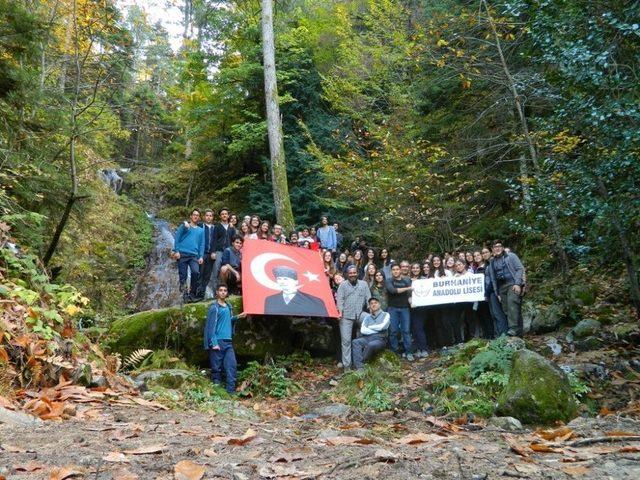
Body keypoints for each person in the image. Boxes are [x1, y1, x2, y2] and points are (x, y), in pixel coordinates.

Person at [203, 284, 247, 393]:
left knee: (231, 366)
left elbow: (227, 320)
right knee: (216, 369)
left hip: (228, 342)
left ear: (227, 293)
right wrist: (214, 343)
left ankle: (230, 393)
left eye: (225, 290)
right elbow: (210, 326)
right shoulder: (214, 308)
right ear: (217, 292)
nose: (223, 292)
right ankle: (218, 394)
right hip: (217, 341)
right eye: (221, 290)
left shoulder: (228, 306)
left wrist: (238, 316)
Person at [336, 265, 371, 370]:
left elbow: (368, 299)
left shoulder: (364, 284)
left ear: (357, 273)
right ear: (347, 274)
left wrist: (372, 311)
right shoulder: (342, 285)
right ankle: (347, 366)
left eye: (354, 272)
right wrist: (340, 313)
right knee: (346, 341)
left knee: (362, 339)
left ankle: (360, 363)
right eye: (350, 273)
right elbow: (340, 301)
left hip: (360, 314)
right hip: (346, 315)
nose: (352, 274)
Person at [488, 240, 525, 336]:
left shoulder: (511, 256)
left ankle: (513, 330)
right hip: (501, 288)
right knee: (506, 309)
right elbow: (493, 279)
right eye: (495, 247)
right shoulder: (492, 262)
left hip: (512, 284)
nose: (497, 248)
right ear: (492, 249)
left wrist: (517, 283)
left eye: (499, 246)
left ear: (502, 247)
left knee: (512, 304)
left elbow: (520, 269)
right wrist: (497, 293)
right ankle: (518, 332)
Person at [264, 266, 329, 316]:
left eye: (285, 279)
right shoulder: (270, 300)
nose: (282, 282)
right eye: (279, 279)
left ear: (296, 281)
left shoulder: (315, 302)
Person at [172, 209, 204, 303]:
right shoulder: (185, 226)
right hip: (182, 254)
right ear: (190, 216)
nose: (195, 216)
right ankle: (184, 295)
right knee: (183, 275)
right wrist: (176, 251)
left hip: (194, 255)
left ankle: (192, 295)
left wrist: (201, 256)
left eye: (197, 215)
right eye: (194, 214)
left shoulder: (201, 230)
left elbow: (202, 244)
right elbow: (177, 238)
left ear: (199, 217)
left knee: (195, 272)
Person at [351, 297, 390, 370]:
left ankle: (362, 362)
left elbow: (382, 327)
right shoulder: (367, 318)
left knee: (371, 345)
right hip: (367, 338)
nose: (373, 305)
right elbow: (363, 330)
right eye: (371, 303)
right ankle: (360, 368)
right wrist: (377, 329)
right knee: (355, 342)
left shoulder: (386, 314)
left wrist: (370, 327)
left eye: (375, 303)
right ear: (369, 306)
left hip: (380, 339)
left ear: (379, 304)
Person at [386, 263, 413, 360]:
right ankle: (395, 352)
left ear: (400, 270)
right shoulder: (389, 281)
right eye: (393, 269)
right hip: (392, 309)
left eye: (397, 269)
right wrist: (408, 288)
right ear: (391, 271)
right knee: (393, 331)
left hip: (405, 308)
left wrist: (411, 301)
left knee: (406, 331)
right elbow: (392, 291)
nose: (396, 271)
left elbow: (410, 294)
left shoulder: (406, 280)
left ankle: (409, 352)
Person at [210, 208, 237, 291]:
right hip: (219, 251)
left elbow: (234, 240)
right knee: (216, 270)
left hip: (228, 252)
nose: (224, 215)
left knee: (228, 271)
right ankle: (215, 292)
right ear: (220, 216)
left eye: (226, 214)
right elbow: (214, 239)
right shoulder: (217, 227)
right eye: (222, 214)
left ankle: (226, 291)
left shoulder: (231, 227)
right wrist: (213, 252)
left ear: (228, 215)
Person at [196, 209, 216, 300]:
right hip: (202, 253)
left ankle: (202, 293)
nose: (209, 217)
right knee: (200, 273)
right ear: (204, 217)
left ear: (213, 217)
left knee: (207, 275)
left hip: (211, 254)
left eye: (210, 215)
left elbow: (217, 241)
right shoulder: (200, 226)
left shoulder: (215, 228)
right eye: (207, 215)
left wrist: (214, 251)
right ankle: (197, 293)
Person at [473, 250, 494, 338]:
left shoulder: (487, 266)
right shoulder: (475, 269)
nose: (477, 257)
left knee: (488, 315)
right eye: (475, 256)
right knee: (481, 316)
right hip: (478, 297)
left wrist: (487, 293)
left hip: (487, 294)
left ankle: (491, 335)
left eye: (478, 255)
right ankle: (486, 336)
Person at [409, 262, 428, 357]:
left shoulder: (425, 279)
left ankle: (423, 348)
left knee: (419, 328)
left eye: (417, 268)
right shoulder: (408, 280)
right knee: (413, 329)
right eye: (413, 268)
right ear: (411, 269)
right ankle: (417, 349)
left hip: (422, 308)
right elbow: (407, 293)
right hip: (411, 307)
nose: (415, 269)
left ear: (420, 269)